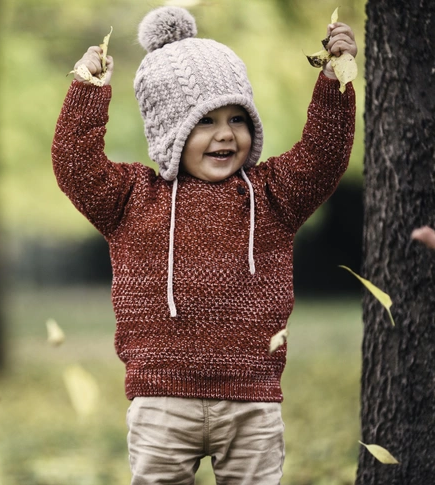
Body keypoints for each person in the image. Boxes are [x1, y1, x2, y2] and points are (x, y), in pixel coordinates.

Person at [52, 6, 357, 484]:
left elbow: (323, 155)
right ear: (171, 130)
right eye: (205, 120)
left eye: (238, 118)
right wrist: (87, 92)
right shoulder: (133, 200)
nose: (224, 134)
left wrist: (337, 77)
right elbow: (75, 166)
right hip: (161, 403)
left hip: (252, 402)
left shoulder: (273, 196)